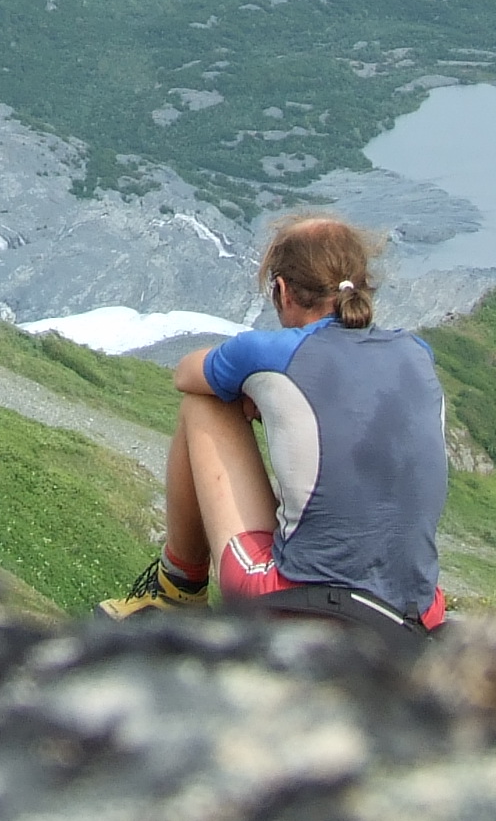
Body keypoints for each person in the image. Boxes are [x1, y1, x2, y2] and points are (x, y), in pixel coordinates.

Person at [100, 214, 450, 648]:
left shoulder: (272, 352)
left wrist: (251, 389)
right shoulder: (417, 353)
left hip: (306, 604)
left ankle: (178, 592)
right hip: (417, 614)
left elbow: (186, 375)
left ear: (282, 291)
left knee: (204, 404)